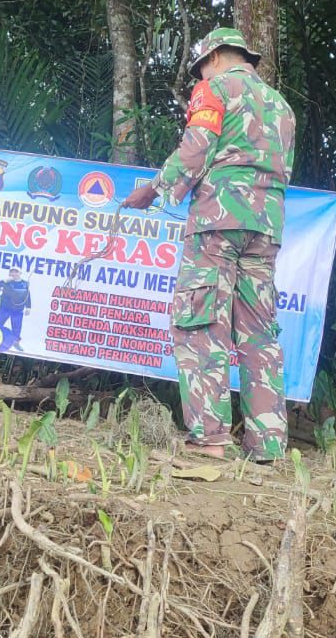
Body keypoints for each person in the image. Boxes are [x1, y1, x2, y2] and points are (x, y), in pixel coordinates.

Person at [121, 28, 295, 463]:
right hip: (267, 224)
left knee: (200, 323)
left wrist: (156, 188)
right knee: (258, 332)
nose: (201, 72)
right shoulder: (281, 104)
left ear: (215, 57)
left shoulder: (213, 88)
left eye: (202, 64)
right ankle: (268, 444)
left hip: (219, 219)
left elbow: (196, 148)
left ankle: (211, 437)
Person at [0, 268, 32, 351]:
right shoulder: (6, 282)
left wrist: (28, 307)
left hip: (18, 310)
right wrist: (4, 281)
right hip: (5, 308)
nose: (14, 273)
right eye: (12, 272)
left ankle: (16, 343)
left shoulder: (25, 283)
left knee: (17, 328)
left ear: (20, 273)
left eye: (16, 272)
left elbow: (27, 295)